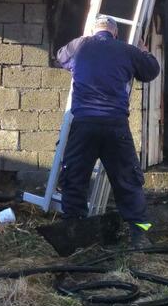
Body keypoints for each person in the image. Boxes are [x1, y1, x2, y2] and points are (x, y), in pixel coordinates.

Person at [57, 15, 161, 248]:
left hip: (83, 125)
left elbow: (60, 56)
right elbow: (151, 71)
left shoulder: (79, 45)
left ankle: (73, 233)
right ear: (115, 33)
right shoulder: (126, 50)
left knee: (74, 178)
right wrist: (144, 51)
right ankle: (140, 234)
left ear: (94, 31)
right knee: (128, 181)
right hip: (115, 126)